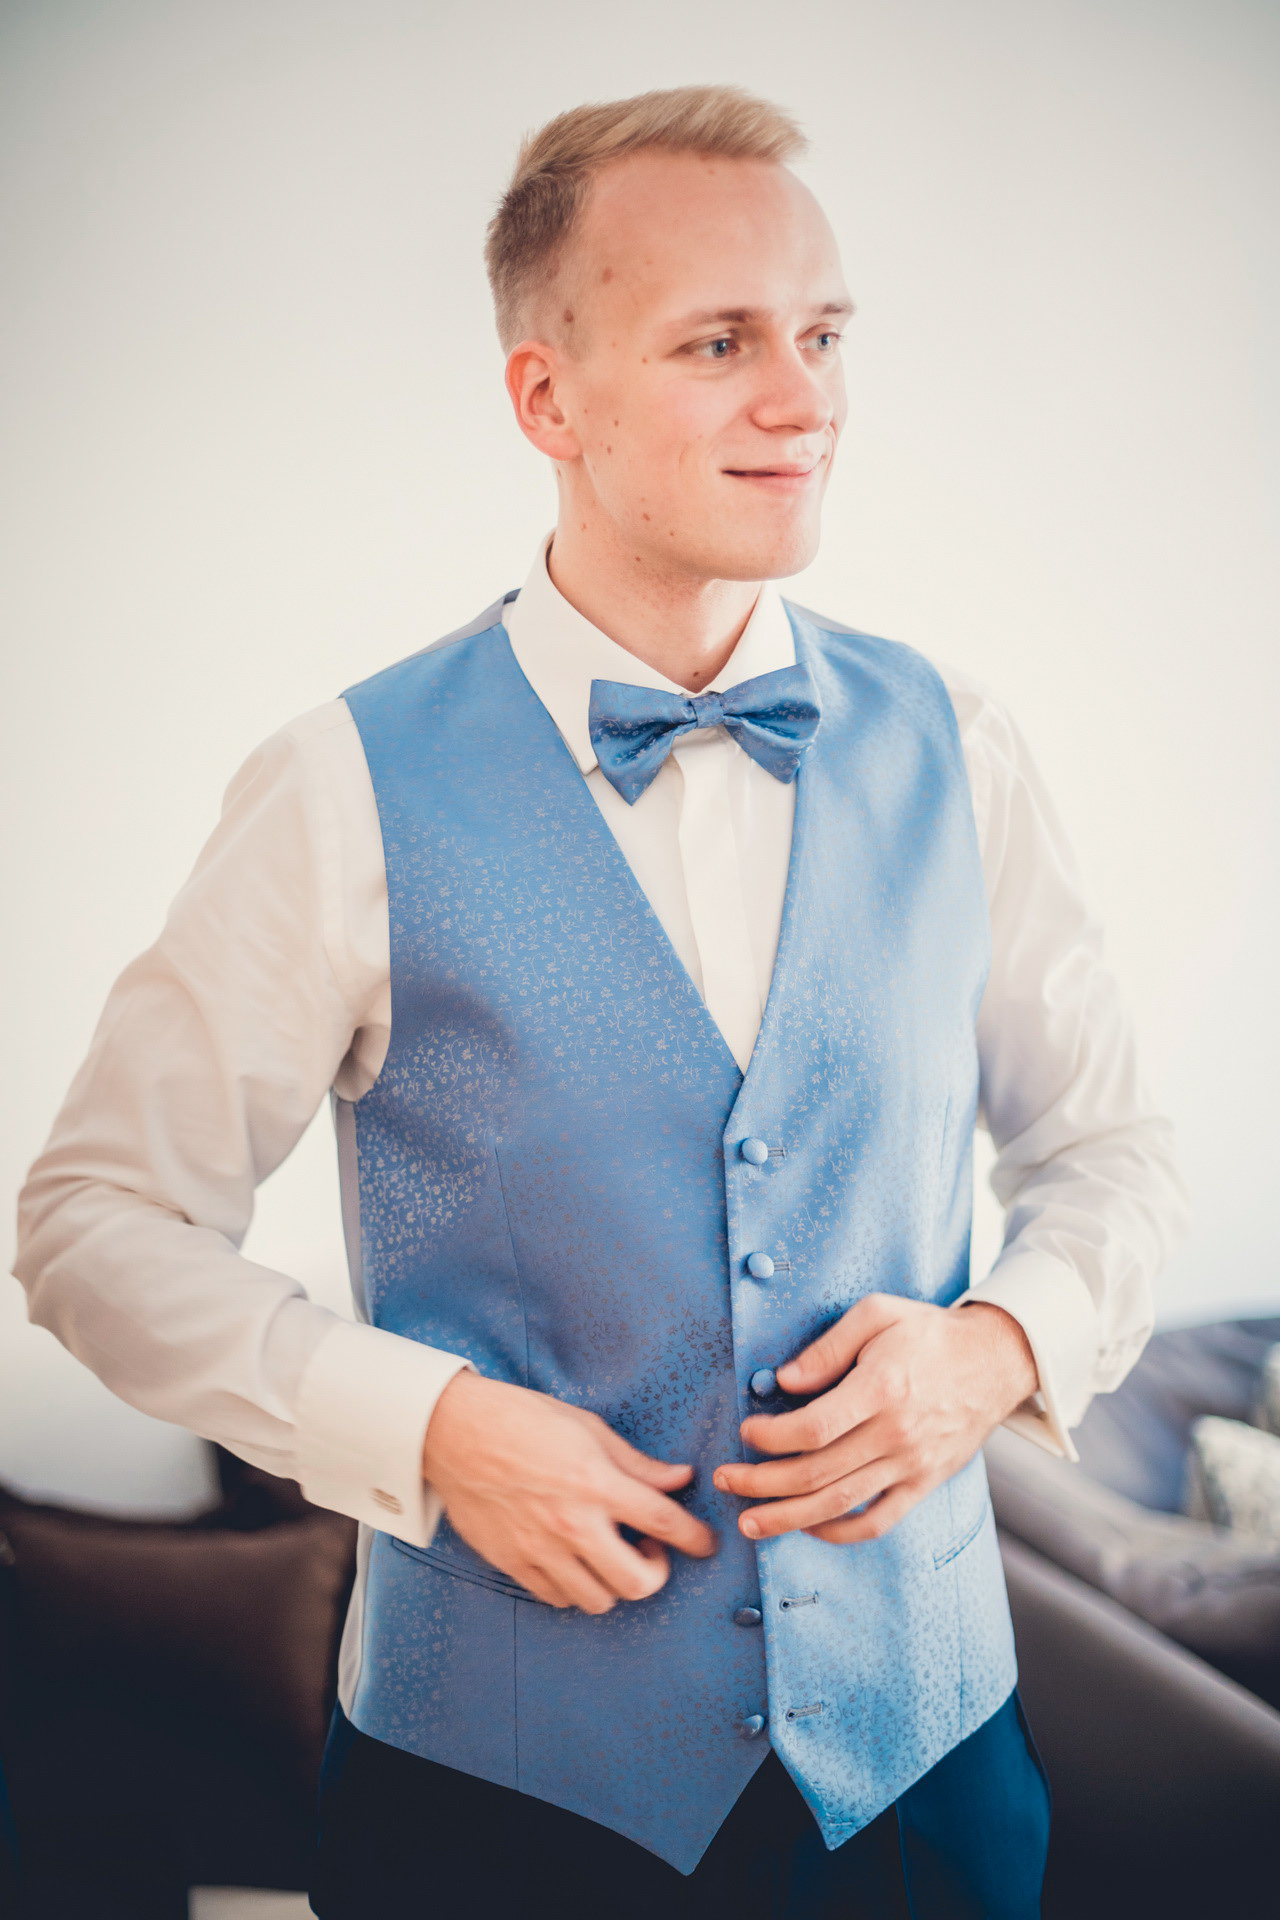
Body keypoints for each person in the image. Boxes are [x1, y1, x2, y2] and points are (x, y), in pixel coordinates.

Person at [14, 84, 1188, 1918]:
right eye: (721, 343)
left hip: (931, 1784)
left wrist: (999, 1347)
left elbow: (1114, 1153)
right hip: (498, 1803)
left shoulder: (961, 745)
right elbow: (93, 1223)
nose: (802, 401)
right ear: (546, 398)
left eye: (821, 337)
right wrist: (425, 1428)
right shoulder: (340, 787)